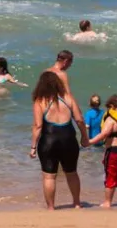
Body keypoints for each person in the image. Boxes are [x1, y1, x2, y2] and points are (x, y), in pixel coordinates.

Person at [30, 70, 87, 210]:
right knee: (72, 173)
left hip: (49, 141)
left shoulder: (40, 101)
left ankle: (51, 207)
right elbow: (79, 120)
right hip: (68, 139)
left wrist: (33, 147)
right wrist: (85, 137)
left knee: (49, 177)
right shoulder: (68, 98)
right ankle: (77, 203)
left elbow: (38, 126)